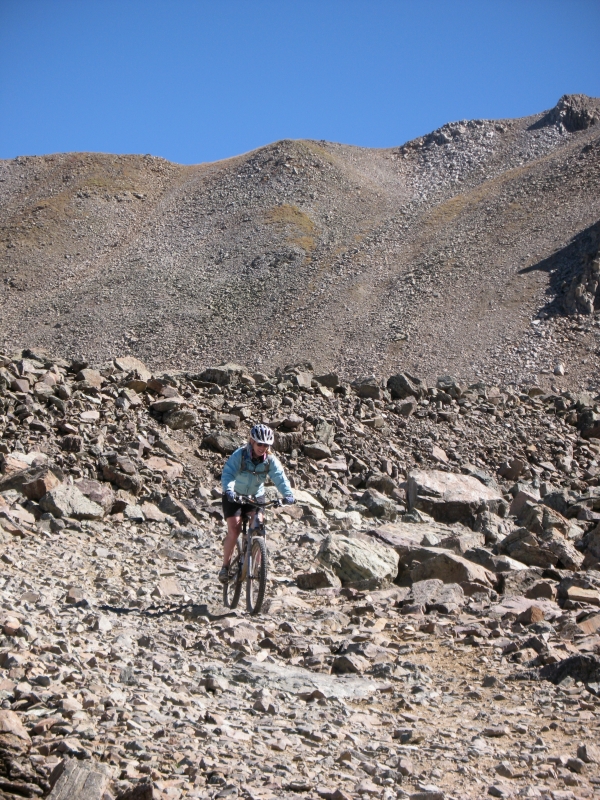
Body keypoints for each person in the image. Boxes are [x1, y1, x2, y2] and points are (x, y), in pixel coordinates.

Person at [218, 424, 295, 583]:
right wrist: (229, 491)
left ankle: (259, 567)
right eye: (259, 443)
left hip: (255, 495)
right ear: (251, 441)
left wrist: (288, 495)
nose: (262, 448)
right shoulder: (239, 455)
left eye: (266, 445)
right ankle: (225, 567)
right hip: (234, 495)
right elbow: (229, 473)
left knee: (259, 526)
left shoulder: (270, 460)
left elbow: (280, 477)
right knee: (234, 528)